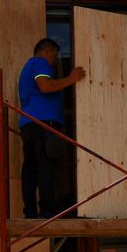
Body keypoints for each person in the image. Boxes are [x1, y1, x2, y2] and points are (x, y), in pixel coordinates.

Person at [17, 38, 86, 219]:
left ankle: (30, 212)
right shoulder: (39, 63)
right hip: (44, 124)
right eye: (55, 56)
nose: (55, 61)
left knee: (31, 168)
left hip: (30, 124)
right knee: (46, 167)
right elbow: (45, 86)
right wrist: (71, 79)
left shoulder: (28, 66)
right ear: (47, 51)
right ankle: (47, 210)